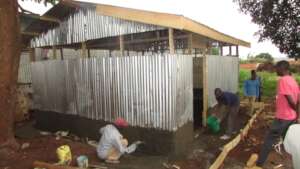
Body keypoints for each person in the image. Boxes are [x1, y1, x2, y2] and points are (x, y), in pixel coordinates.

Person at [255, 61, 299, 167]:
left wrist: (295, 111)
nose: (276, 70)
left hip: (283, 118)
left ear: (282, 68)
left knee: (269, 139)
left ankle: (259, 163)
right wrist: (297, 115)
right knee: (286, 139)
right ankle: (292, 160)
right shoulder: (293, 80)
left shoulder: (283, 80)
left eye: (277, 68)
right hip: (291, 117)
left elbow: (291, 102)